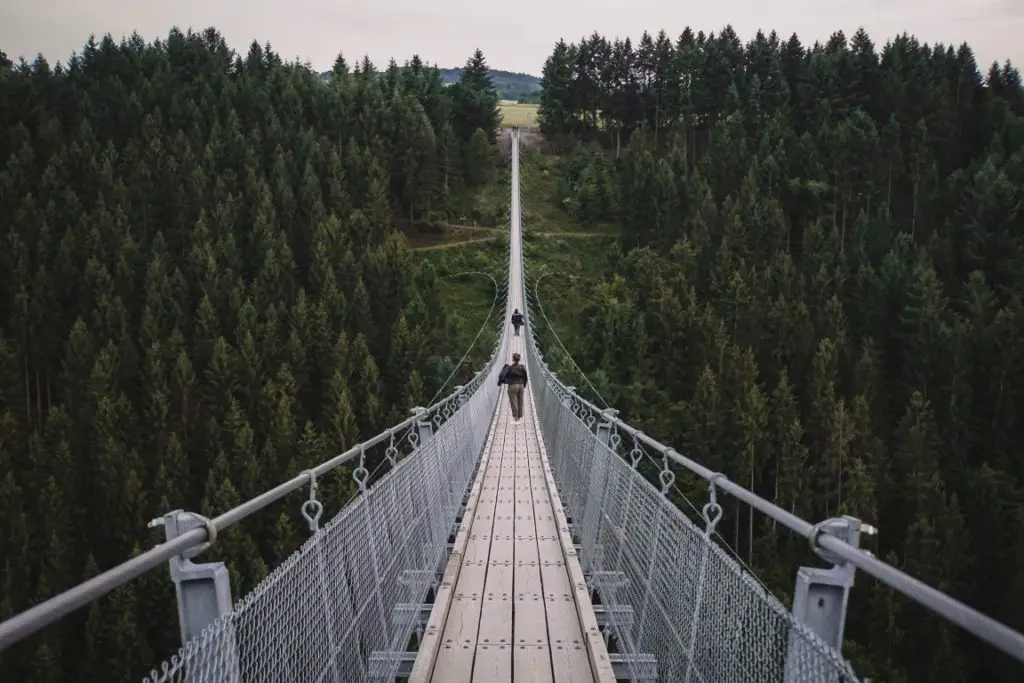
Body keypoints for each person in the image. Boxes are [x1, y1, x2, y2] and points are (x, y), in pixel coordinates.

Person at [498, 352, 528, 422]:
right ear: (519, 359)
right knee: (520, 401)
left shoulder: (509, 368)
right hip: (521, 386)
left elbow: (503, 375)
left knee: (514, 402)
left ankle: (516, 418)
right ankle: (520, 416)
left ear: (513, 359)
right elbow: (526, 377)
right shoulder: (522, 367)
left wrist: (500, 382)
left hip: (513, 386)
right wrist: (524, 384)